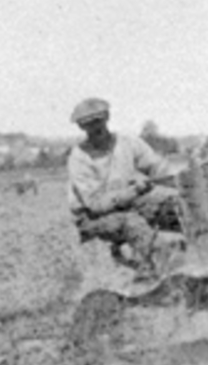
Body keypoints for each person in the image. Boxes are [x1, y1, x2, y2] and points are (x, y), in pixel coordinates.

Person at [66, 97, 181, 274]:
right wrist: (134, 190)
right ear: (81, 127)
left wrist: (179, 180)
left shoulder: (127, 142)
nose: (96, 127)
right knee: (131, 223)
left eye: (98, 120)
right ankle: (165, 270)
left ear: (107, 118)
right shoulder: (79, 158)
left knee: (176, 204)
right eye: (88, 124)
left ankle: (203, 250)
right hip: (92, 219)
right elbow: (95, 205)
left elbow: (157, 167)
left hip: (128, 205)